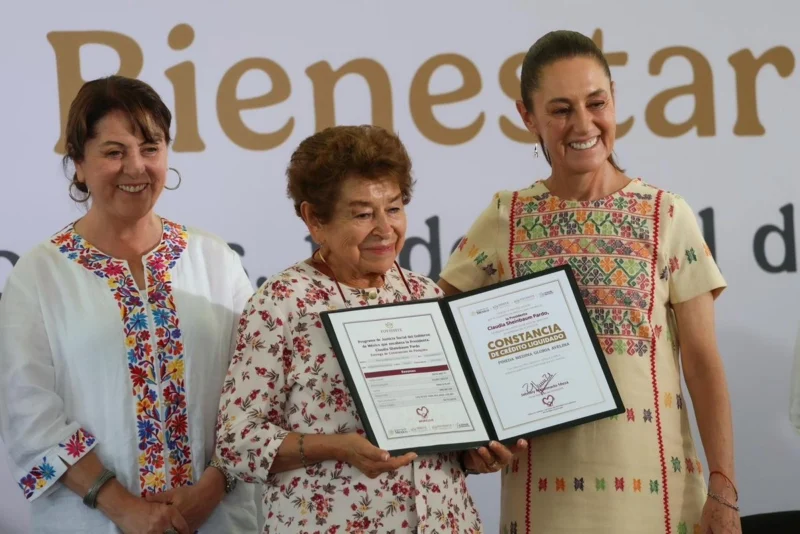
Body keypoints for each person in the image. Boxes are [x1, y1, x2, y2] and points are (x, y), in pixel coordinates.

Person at [438, 30, 741, 534]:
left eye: (596, 103)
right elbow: (436, 335)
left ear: (614, 100)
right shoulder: (505, 217)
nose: (583, 124)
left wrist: (725, 491)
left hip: (661, 503)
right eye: (560, 110)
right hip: (542, 506)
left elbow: (703, 364)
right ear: (527, 117)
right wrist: (472, 438)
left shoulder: (667, 215)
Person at [214, 125, 526, 534]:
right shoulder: (282, 303)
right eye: (363, 214)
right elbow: (237, 442)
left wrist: (475, 455)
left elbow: (448, 431)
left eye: (393, 209)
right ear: (314, 218)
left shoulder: (426, 294)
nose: (384, 229)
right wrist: (338, 447)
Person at [0, 75, 258, 533]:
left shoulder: (214, 260)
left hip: (216, 518)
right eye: (114, 152)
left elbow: (257, 388)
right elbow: (27, 415)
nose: (136, 167)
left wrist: (212, 487)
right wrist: (122, 508)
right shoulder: (40, 275)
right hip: (89, 522)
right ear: (79, 164)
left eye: (150, 148)